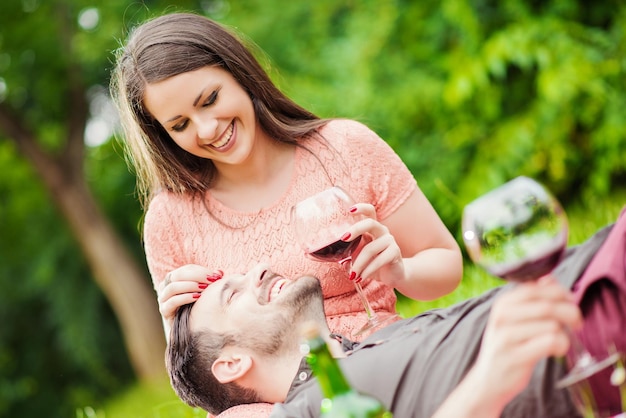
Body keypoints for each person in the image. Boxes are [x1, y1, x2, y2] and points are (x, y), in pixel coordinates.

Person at [109, 12, 463, 339]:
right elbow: (196, 385)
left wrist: (401, 273)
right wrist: (177, 327)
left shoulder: (345, 147)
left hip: (376, 356)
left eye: (210, 99)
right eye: (180, 124)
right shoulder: (170, 219)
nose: (206, 129)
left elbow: (446, 264)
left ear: (239, 74)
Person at [166, 208, 626, 418]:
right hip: (589, 327)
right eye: (233, 294)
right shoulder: (316, 409)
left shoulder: (365, 344)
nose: (260, 269)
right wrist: (490, 380)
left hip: (592, 267)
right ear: (230, 364)